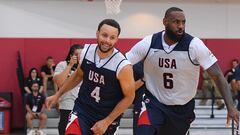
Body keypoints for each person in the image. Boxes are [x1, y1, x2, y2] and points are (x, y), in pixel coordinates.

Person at [125, 7, 239, 135]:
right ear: (165, 22)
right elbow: (123, 64)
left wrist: (230, 107)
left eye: (183, 22)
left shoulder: (194, 45)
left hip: (182, 108)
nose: (181, 26)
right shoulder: (149, 42)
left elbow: (218, 75)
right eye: (176, 22)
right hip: (153, 103)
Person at [46, 19, 135, 135]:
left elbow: (129, 97)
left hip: (105, 117)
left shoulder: (122, 66)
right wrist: (57, 95)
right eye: (104, 35)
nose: (107, 41)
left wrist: (107, 121)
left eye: (112, 37)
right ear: (97, 34)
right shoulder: (85, 52)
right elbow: (77, 76)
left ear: (116, 39)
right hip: (82, 111)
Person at [53, 44, 83, 135]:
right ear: (71, 55)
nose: (79, 57)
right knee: (64, 129)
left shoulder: (84, 67)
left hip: (82, 105)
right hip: (67, 104)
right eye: (77, 54)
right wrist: (70, 65)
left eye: (81, 54)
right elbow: (59, 82)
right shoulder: (62, 65)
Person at [132, 61, 145, 135]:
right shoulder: (136, 66)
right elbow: (129, 89)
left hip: (157, 107)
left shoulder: (159, 66)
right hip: (140, 106)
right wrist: (144, 79)